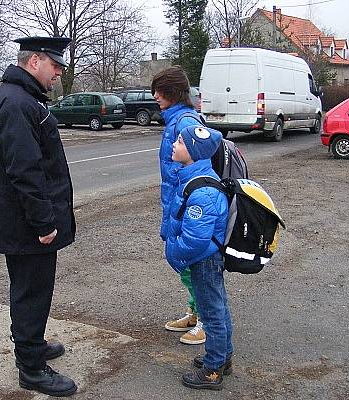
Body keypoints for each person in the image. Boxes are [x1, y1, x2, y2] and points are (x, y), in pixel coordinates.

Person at [0, 36, 77, 397]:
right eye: (55, 66)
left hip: (21, 220)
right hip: (27, 225)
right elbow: (25, 169)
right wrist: (44, 222)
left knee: (30, 289)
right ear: (35, 61)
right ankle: (32, 368)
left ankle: (31, 344)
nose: (58, 74)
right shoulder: (19, 102)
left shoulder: (19, 97)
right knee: (31, 292)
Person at [165, 124, 233, 390]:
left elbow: (195, 240)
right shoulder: (196, 178)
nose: (174, 145)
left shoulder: (203, 193)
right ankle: (222, 357)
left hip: (204, 261)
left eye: (180, 142)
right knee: (218, 308)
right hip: (207, 259)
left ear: (193, 152)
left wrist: (175, 252)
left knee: (212, 314)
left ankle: (213, 370)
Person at [152, 66, 207, 345]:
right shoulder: (177, 120)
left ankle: (206, 321)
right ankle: (195, 313)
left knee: (193, 263)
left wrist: (183, 208)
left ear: (171, 93)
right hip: (177, 204)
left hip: (186, 206)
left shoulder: (184, 123)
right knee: (187, 263)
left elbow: (195, 170)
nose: (154, 96)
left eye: (159, 91)